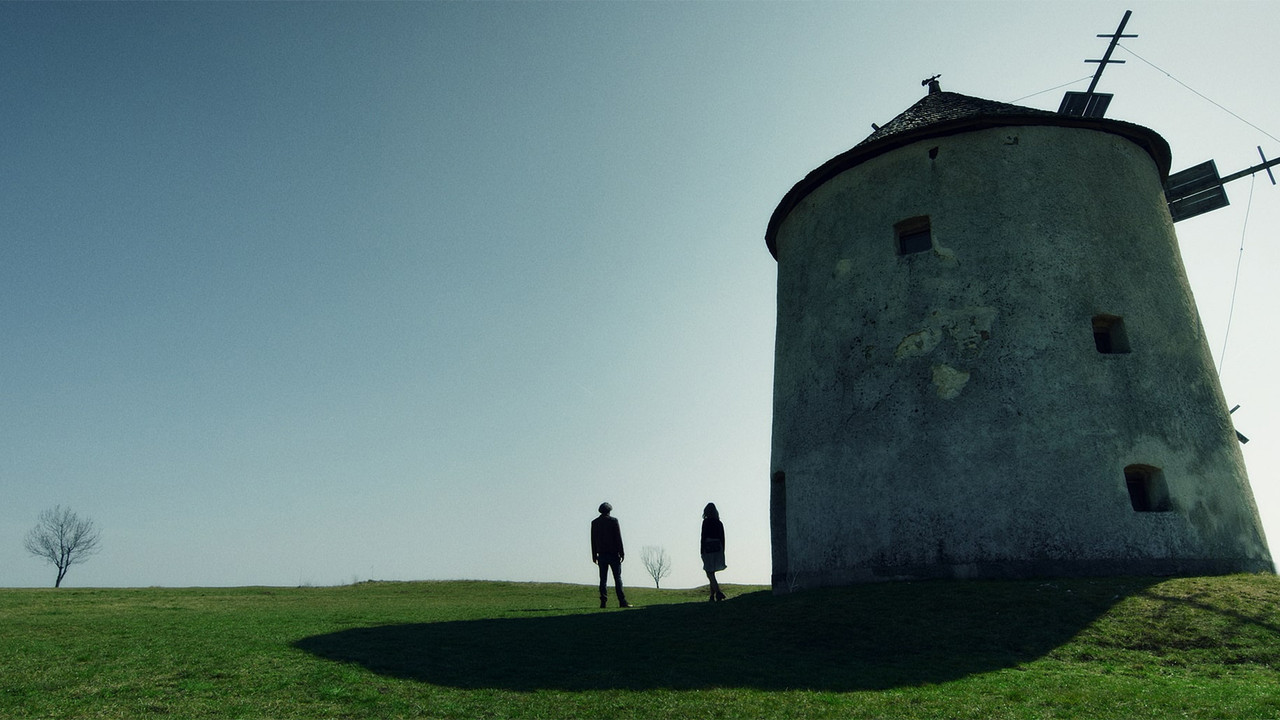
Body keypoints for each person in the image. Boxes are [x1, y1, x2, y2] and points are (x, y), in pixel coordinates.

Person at [591, 502, 629, 608]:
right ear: (609, 511)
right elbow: (618, 538)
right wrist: (622, 553)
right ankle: (622, 601)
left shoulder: (595, 523)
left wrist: (594, 555)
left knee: (603, 579)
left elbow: (593, 540)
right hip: (613, 554)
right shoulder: (613, 521)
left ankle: (603, 602)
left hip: (601, 555)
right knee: (618, 578)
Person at [701, 502, 727, 602]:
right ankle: (712, 596)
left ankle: (718, 592)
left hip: (708, 547)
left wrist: (702, 550)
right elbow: (722, 538)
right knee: (712, 572)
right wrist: (722, 550)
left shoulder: (706, 522)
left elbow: (703, 537)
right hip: (718, 547)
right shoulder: (719, 523)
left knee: (709, 572)